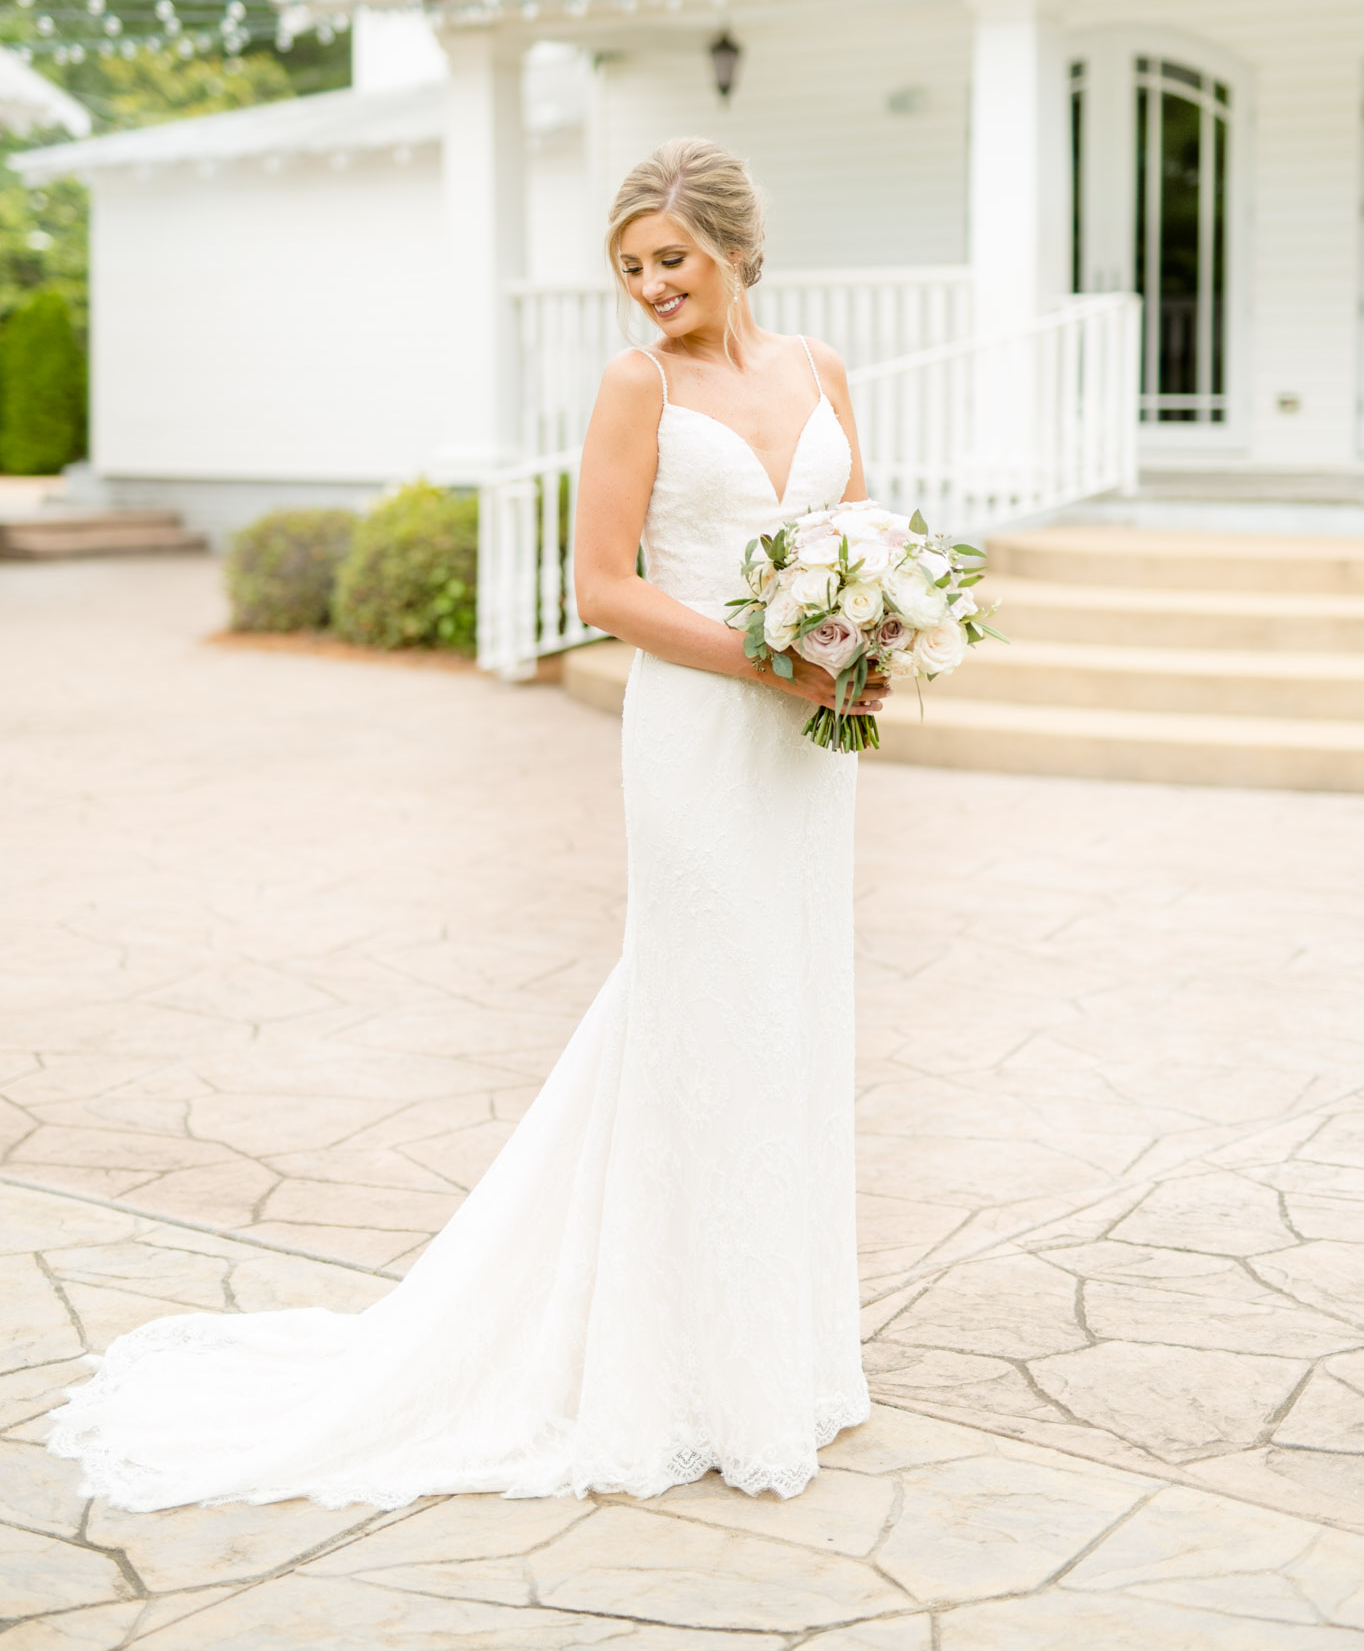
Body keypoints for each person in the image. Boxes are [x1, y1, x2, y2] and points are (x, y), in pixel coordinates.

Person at [47, 137, 878, 1511]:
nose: (650, 286)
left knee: (791, 1012)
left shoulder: (822, 370)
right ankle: (671, 1369)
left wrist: (870, 639)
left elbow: (861, 536)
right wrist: (765, 658)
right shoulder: (638, 388)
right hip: (699, 733)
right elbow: (604, 587)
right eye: (629, 268)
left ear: (733, 244)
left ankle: (777, 1360)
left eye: (669, 259)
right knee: (702, 1011)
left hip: (807, 748)